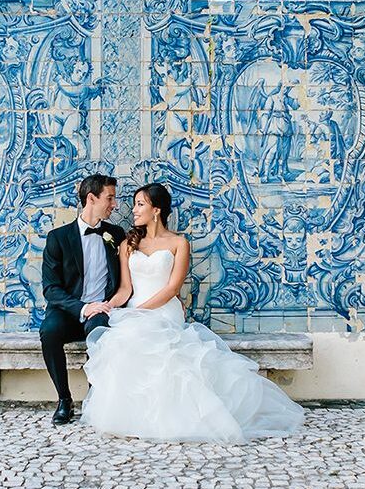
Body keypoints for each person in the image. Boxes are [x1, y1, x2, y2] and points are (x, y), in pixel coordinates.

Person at [79, 182, 305, 442]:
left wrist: (140, 311)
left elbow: (173, 287)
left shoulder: (179, 243)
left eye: (140, 204)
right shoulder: (128, 244)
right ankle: (134, 418)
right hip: (134, 312)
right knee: (122, 343)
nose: (133, 211)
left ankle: (180, 418)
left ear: (157, 210)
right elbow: (125, 288)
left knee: (163, 350)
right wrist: (110, 306)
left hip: (163, 311)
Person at [39, 174, 126, 425]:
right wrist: (83, 307)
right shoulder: (58, 238)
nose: (115, 204)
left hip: (103, 308)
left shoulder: (116, 234)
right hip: (68, 310)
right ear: (91, 198)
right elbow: (51, 289)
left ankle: (93, 399)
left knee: (99, 330)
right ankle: (64, 399)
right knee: (49, 332)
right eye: (110, 198)